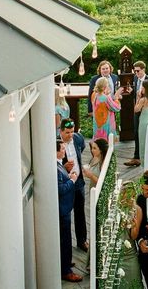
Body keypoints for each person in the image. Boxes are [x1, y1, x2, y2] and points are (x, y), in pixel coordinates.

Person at [59, 118, 88, 251]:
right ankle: (65, 247)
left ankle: (82, 240)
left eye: (72, 132)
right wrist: (64, 167)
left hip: (79, 181)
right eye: (67, 133)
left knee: (80, 212)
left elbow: (82, 147)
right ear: (61, 131)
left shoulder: (77, 138)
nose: (70, 135)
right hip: (65, 184)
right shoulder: (56, 144)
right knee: (65, 215)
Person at [57, 140, 83, 283]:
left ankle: (65, 261)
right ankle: (66, 270)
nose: (64, 151)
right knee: (65, 240)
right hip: (62, 210)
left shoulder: (59, 163)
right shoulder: (55, 167)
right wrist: (72, 180)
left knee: (66, 239)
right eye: (62, 149)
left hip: (65, 208)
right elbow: (60, 189)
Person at [124, 60, 148, 167]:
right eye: (135, 71)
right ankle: (137, 157)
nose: (136, 73)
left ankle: (145, 156)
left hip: (146, 111)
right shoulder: (135, 79)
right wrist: (132, 92)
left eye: (138, 71)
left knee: (145, 134)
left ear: (143, 70)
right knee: (136, 133)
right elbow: (136, 94)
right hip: (137, 110)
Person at [117, 182, 144, 288]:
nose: (131, 199)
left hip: (129, 254)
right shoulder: (114, 208)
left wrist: (135, 226)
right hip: (115, 251)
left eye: (133, 196)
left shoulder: (137, 210)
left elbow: (134, 237)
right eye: (128, 196)